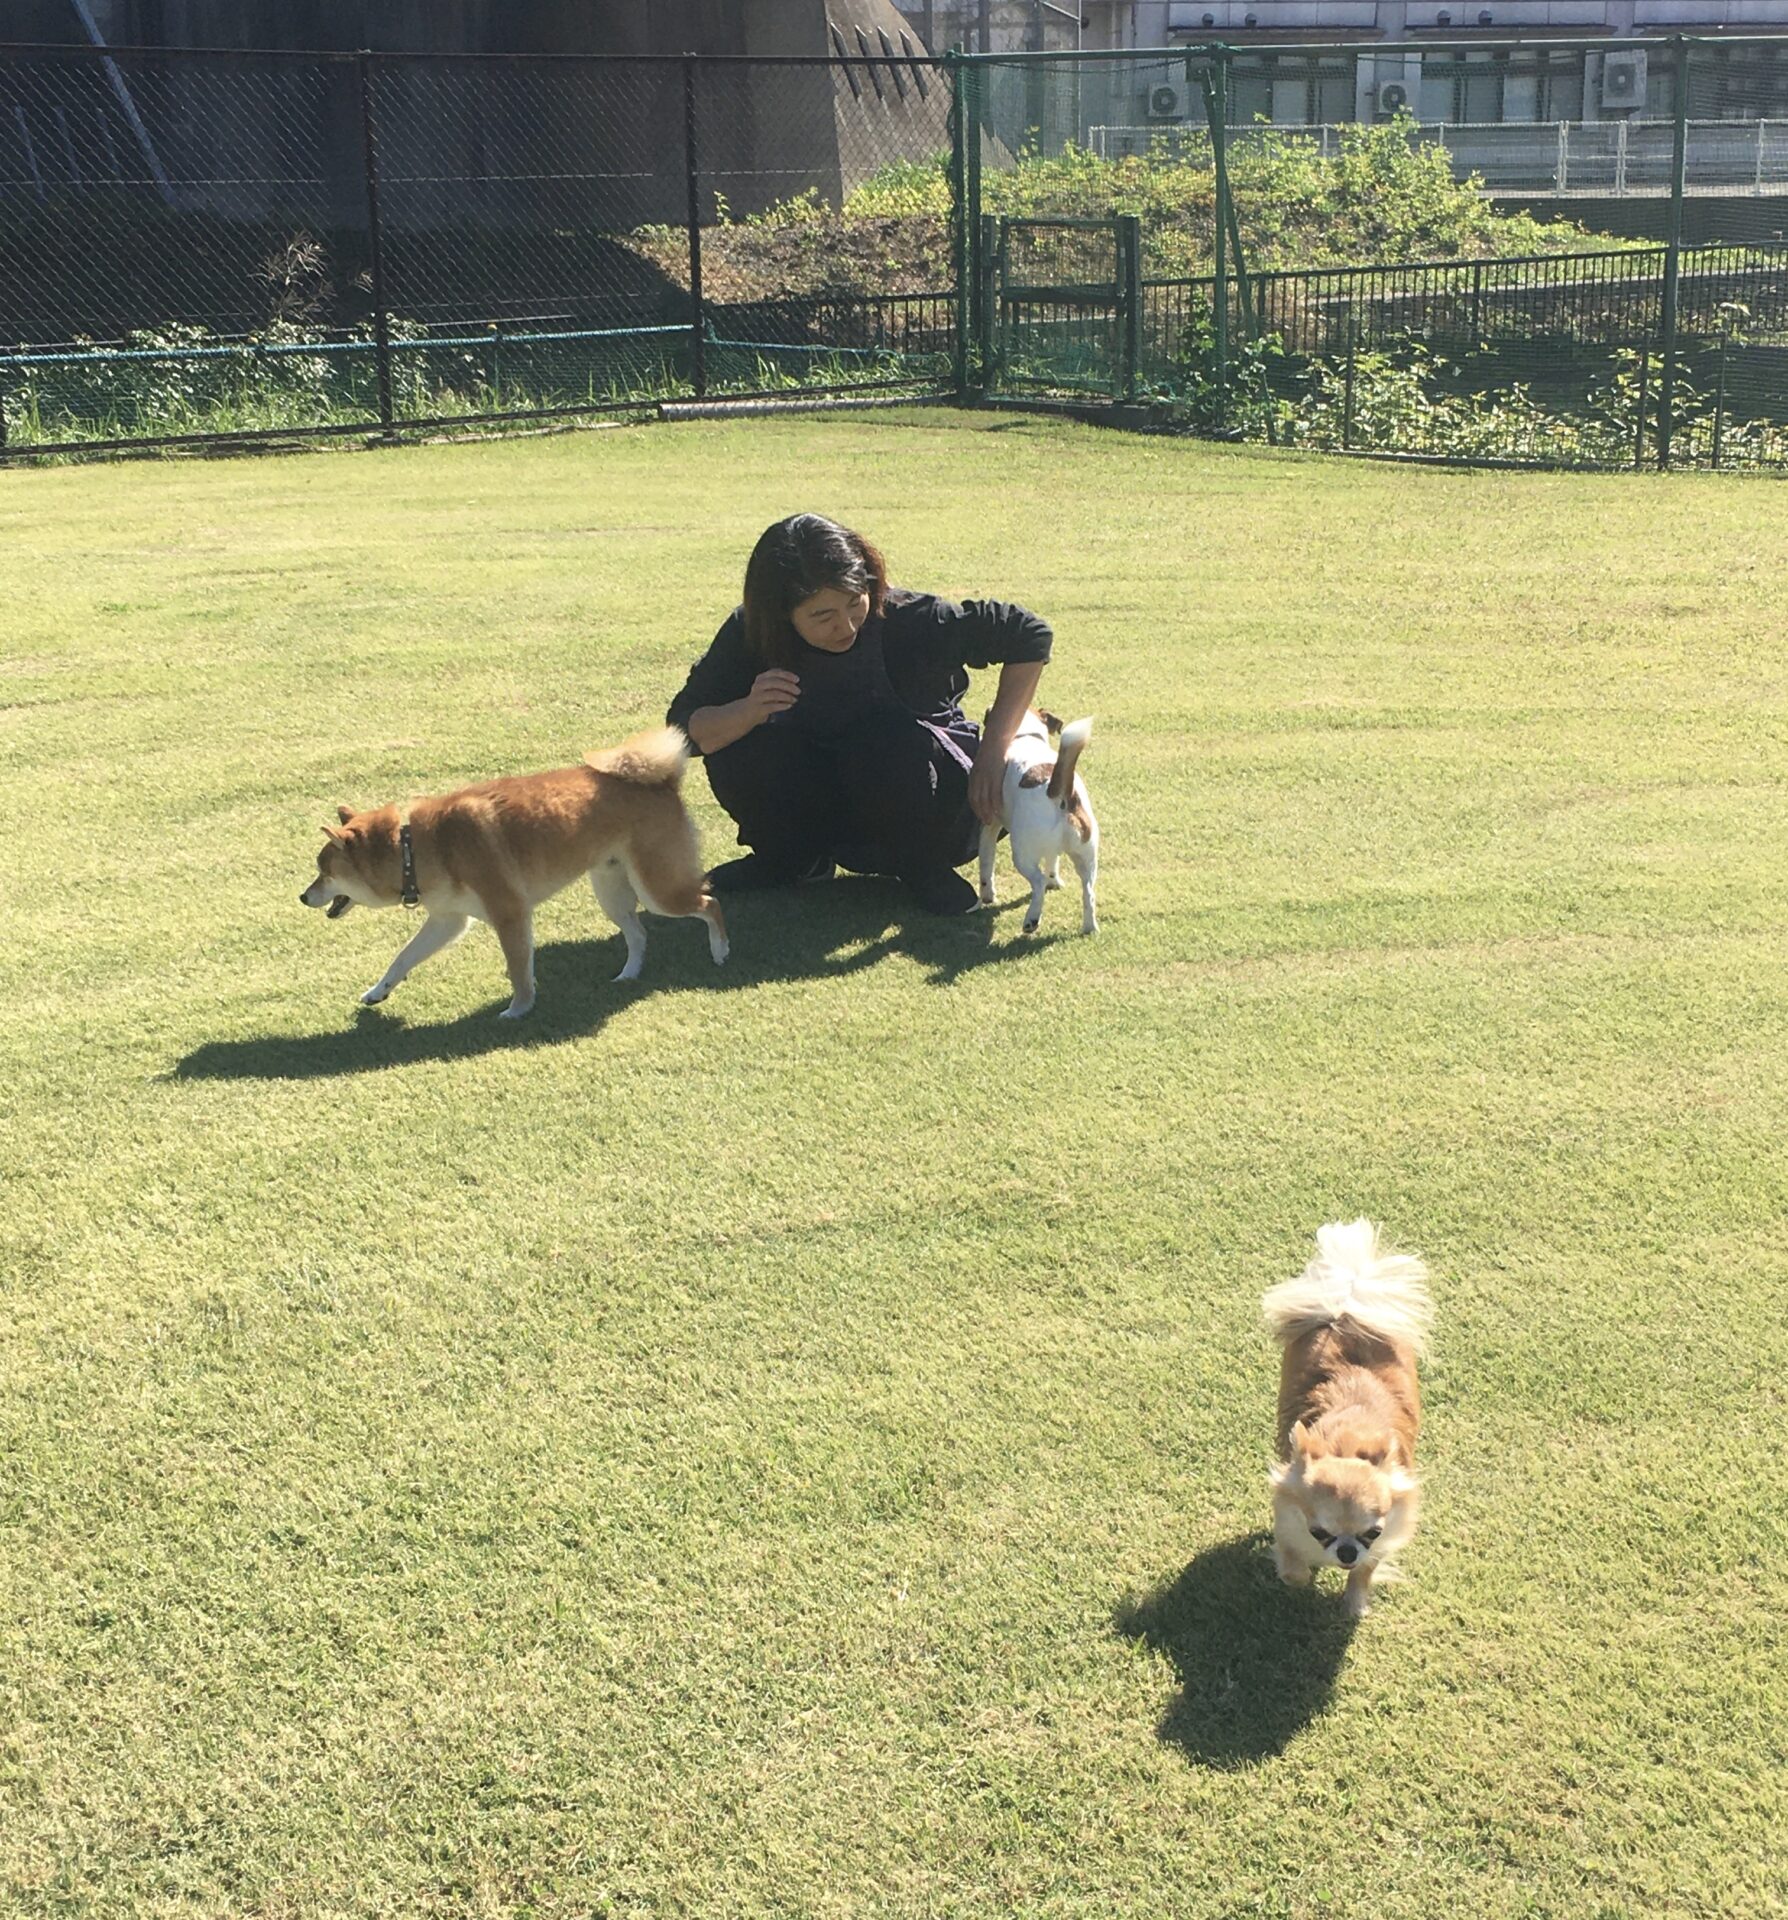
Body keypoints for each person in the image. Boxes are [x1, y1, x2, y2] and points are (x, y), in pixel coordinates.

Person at [666, 513, 1053, 916]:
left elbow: (1029, 634)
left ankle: (923, 869)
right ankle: (791, 859)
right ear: (781, 613)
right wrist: (748, 709)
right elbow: (683, 729)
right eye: (823, 616)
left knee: (881, 738)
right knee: (738, 744)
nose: (847, 625)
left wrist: (993, 751)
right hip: (830, 804)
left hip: (929, 803)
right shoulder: (753, 634)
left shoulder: (908, 618)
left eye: (856, 602)